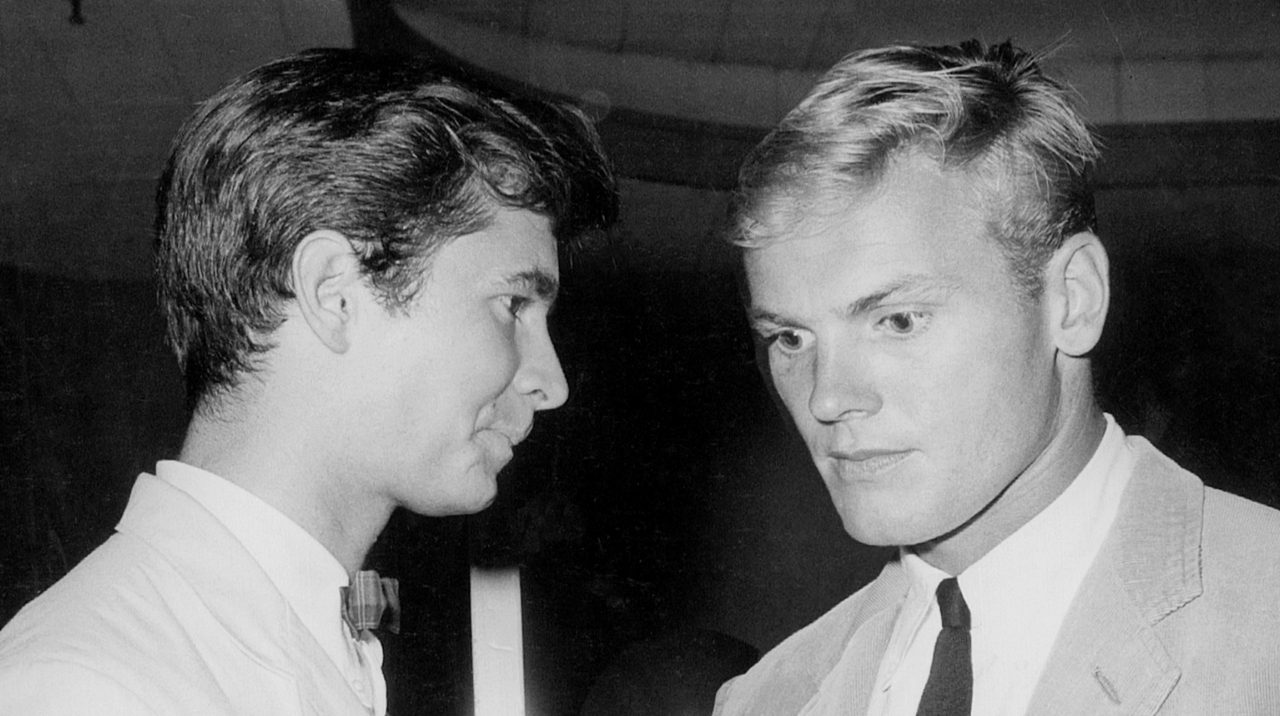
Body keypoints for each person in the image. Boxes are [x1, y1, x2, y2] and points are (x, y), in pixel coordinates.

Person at [0, 48, 617, 715]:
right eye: (514, 305)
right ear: (334, 294)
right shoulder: (86, 689)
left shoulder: (324, 643)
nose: (551, 383)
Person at [713, 40, 1280, 716]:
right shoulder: (766, 699)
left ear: (1072, 300)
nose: (826, 397)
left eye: (898, 321)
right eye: (790, 337)